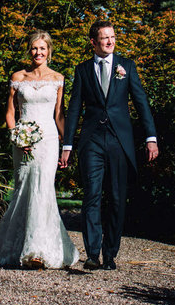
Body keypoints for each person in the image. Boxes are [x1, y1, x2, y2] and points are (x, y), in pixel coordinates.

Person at [59, 20, 158, 270]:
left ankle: (110, 253)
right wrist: (68, 144)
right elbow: (73, 109)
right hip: (92, 140)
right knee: (91, 196)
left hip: (118, 141)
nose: (111, 41)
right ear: (93, 42)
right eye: (105, 38)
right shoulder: (82, 70)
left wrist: (150, 138)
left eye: (113, 37)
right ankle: (92, 254)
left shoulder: (127, 66)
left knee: (116, 198)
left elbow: (141, 102)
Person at [0, 30, 79, 269]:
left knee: (44, 189)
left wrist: (67, 145)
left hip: (48, 141)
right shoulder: (18, 76)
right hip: (23, 141)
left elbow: (59, 114)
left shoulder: (58, 78)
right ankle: (18, 245)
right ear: (29, 50)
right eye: (34, 48)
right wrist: (17, 137)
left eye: (42, 48)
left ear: (49, 51)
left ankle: (39, 250)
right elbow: (10, 112)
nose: (38, 52)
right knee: (24, 188)